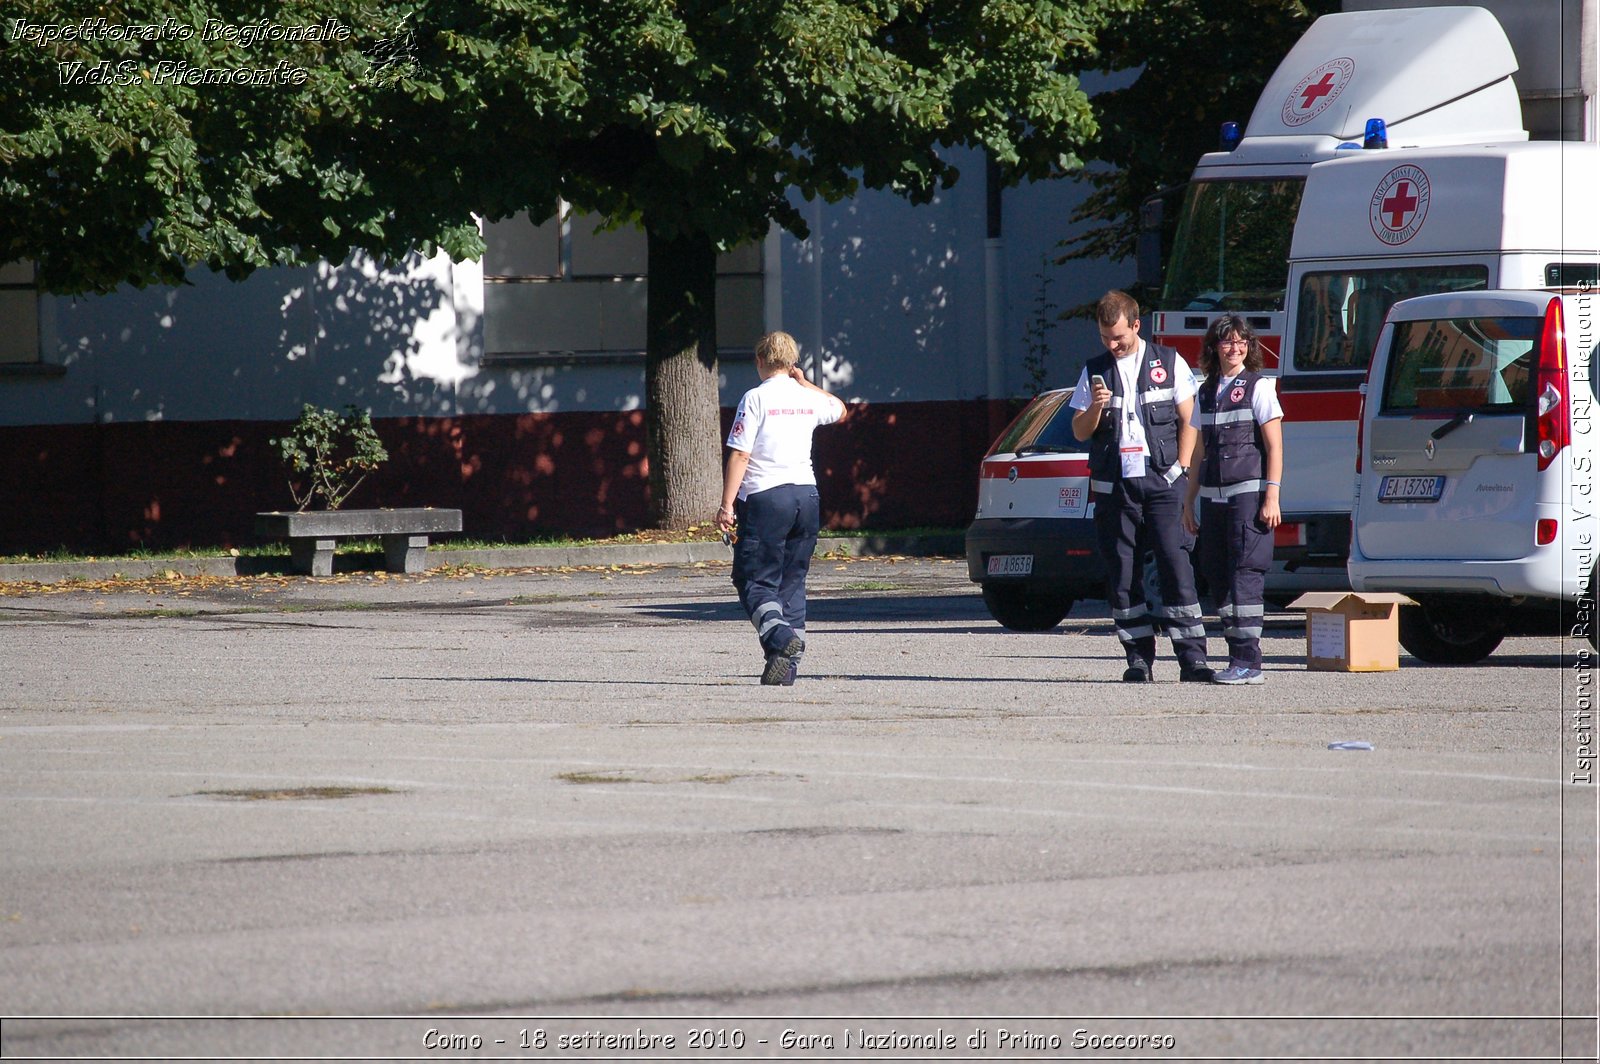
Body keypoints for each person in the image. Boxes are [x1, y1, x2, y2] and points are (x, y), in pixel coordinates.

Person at [1070, 290, 1212, 683]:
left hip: (1163, 481)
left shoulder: (1167, 361)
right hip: (1115, 485)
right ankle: (1138, 658)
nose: (1112, 345)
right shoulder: (1094, 370)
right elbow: (1080, 431)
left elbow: (1190, 420)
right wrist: (1096, 405)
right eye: (1104, 338)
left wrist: (1182, 470)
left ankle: (1193, 659)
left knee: (1175, 564)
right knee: (1122, 573)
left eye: (1118, 337)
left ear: (1136, 325)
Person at [716, 331, 847, 685]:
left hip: (766, 497)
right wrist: (807, 384)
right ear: (792, 364)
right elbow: (841, 409)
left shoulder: (755, 398)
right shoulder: (806, 398)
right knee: (793, 580)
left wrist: (727, 505)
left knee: (752, 579)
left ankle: (780, 639)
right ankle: (785, 667)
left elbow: (741, 453)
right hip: (807, 496)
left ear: (760, 361)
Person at [1182, 315, 1284, 685]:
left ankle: (1249, 662)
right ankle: (1235, 657)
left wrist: (1271, 494)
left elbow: (1274, 445)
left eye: (1241, 341)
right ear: (1214, 347)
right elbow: (1198, 452)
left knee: (1245, 575)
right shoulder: (1204, 391)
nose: (1234, 347)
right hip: (1211, 498)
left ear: (1249, 346)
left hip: (1248, 496)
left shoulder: (1259, 386)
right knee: (1217, 574)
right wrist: (1188, 501)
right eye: (1227, 341)